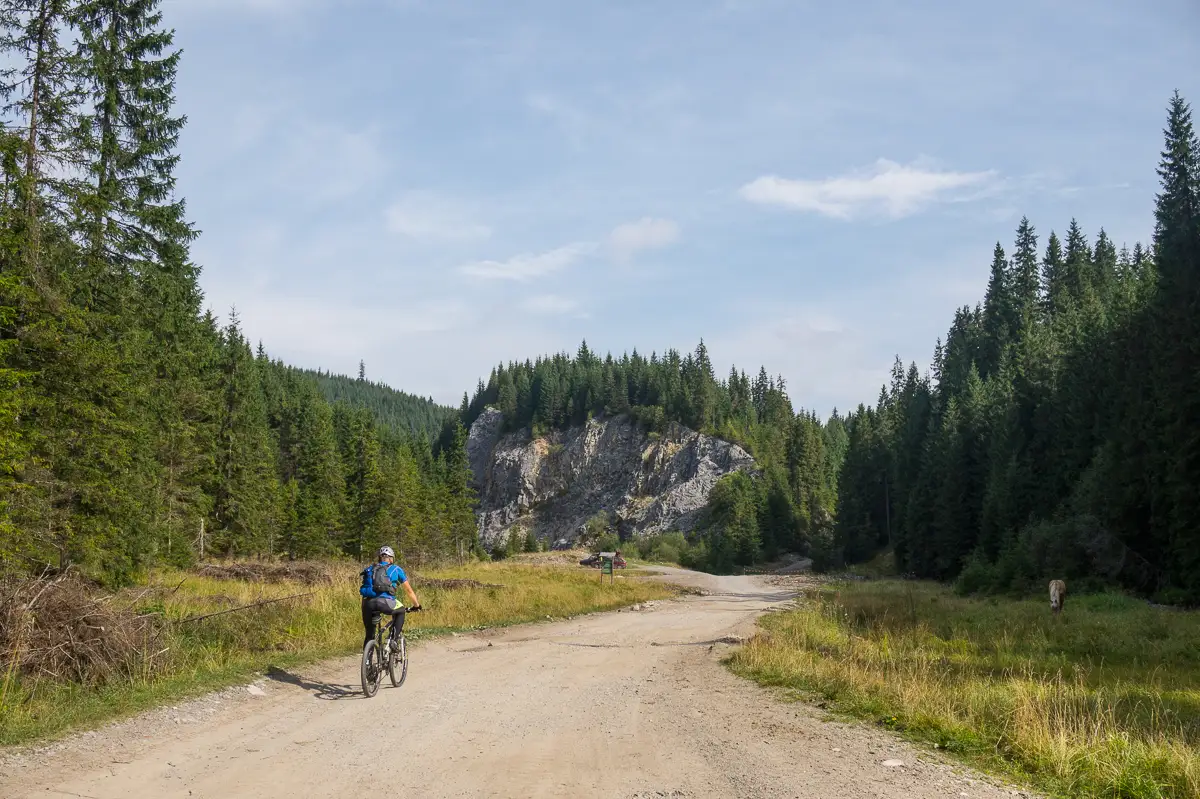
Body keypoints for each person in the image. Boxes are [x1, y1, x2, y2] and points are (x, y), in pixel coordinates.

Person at [360, 546, 421, 647]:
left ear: (380, 558)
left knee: (369, 635)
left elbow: (366, 587)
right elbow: (409, 591)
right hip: (385, 602)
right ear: (391, 558)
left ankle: (366, 661)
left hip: (367, 604)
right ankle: (393, 639)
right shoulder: (396, 569)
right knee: (401, 610)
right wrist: (416, 605)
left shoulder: (370, 569)